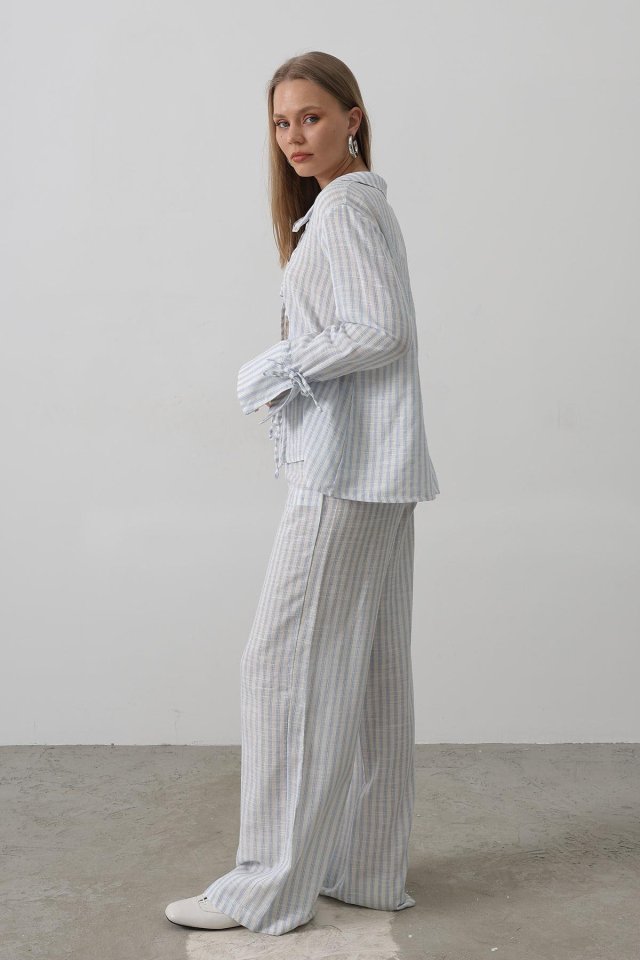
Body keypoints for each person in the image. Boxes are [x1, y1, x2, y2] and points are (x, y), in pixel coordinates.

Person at [165, 49, 440, 938]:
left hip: (346, 471)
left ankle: (267, 886)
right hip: (377, 471)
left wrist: (278, 366)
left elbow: (383, 329)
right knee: (369, 674)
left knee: (280, 667)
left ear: (353, 118)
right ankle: (363, 867)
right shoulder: (352, 205)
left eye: (312, 117)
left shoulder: (347, 209)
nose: (294, 136)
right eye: (282, 122)